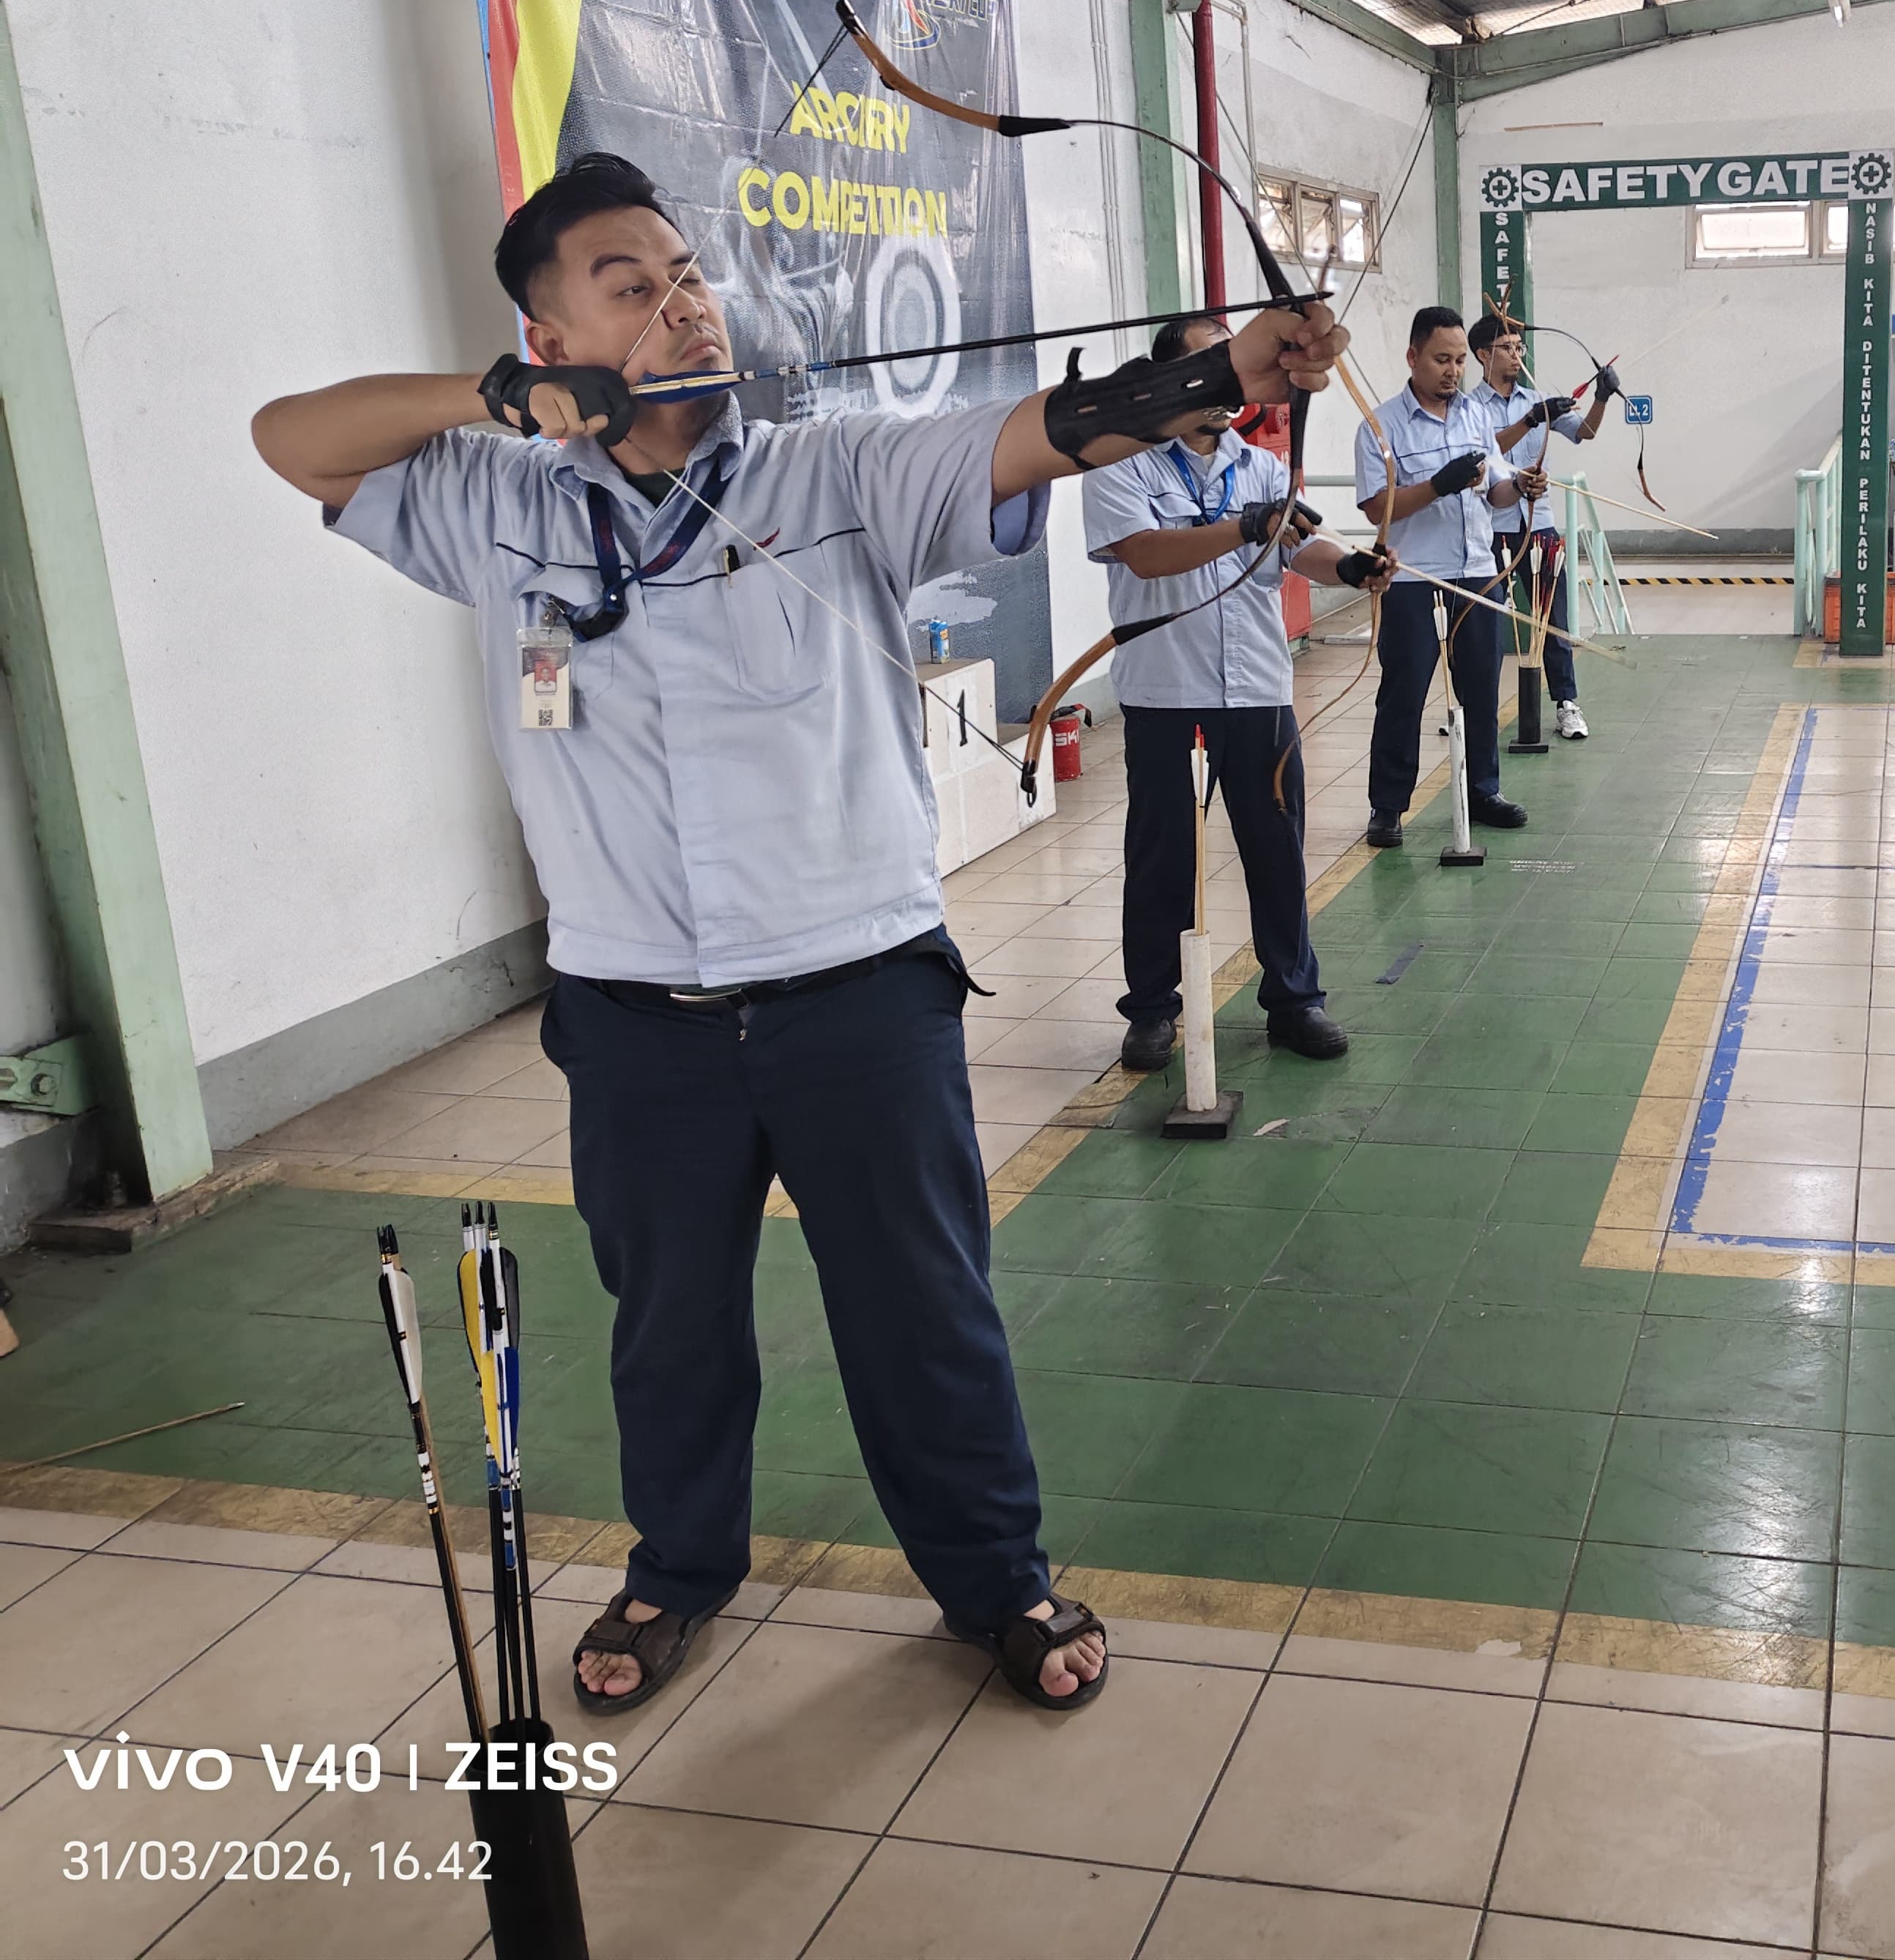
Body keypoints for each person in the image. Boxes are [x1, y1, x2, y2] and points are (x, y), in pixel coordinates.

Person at [250, 152, 1346, 1717]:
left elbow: (1044, 430)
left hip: (857, 993)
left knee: (923, 1310)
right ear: (545, 324)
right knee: (669, 1323)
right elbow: (287, 441)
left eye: (684, 273)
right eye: (626, 284)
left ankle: (995, 1575)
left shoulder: (830, 474)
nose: (678, 301)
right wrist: (509, 401)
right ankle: (676, 1565)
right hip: (637, 1013)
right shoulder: (487, 500)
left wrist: (1222, 373)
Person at [1086, 315, 1391, 1070]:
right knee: (1161, 859)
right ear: (1168, 380)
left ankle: (1295, 998)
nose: (1228, 380)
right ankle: (1153, 1010)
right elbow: (1145, 554)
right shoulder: (1121, 465)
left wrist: (1346, 568)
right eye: (1208, 365)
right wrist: (1243, 526)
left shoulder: (1259, 465)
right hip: (1165, 694)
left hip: (1257, 687)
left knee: (1276, 851)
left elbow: (1296, 544)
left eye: (1232, 362)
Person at [1356, 305, 1528, 848]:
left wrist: (1520, 485)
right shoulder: (1380, 425)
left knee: (1481, 691)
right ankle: (1388, 806)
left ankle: (1483, 790)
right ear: (1412, 357)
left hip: (1478, 572)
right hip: (1412, 579)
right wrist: (1438, 484)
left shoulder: (1477, 416)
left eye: (1458, 360)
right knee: (1403, 694)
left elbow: (1497, 489)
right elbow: (1376, 507)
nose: (1453, 371)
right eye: (1441, 359)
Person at [1468, 313, 1615, 739]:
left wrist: (1602, 396)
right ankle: (1474, 705)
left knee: (1553, 618)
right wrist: (1532, 420)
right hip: (1489, 528)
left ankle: (1567, 703)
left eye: (1520, 347)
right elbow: (1485, 450)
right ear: (1483, 355)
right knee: (1485, 622)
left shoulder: (1537, 399)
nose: (1517, 355)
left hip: (1539, 525)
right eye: (1507, 348)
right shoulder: (1469, 408)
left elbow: (1584, 431)